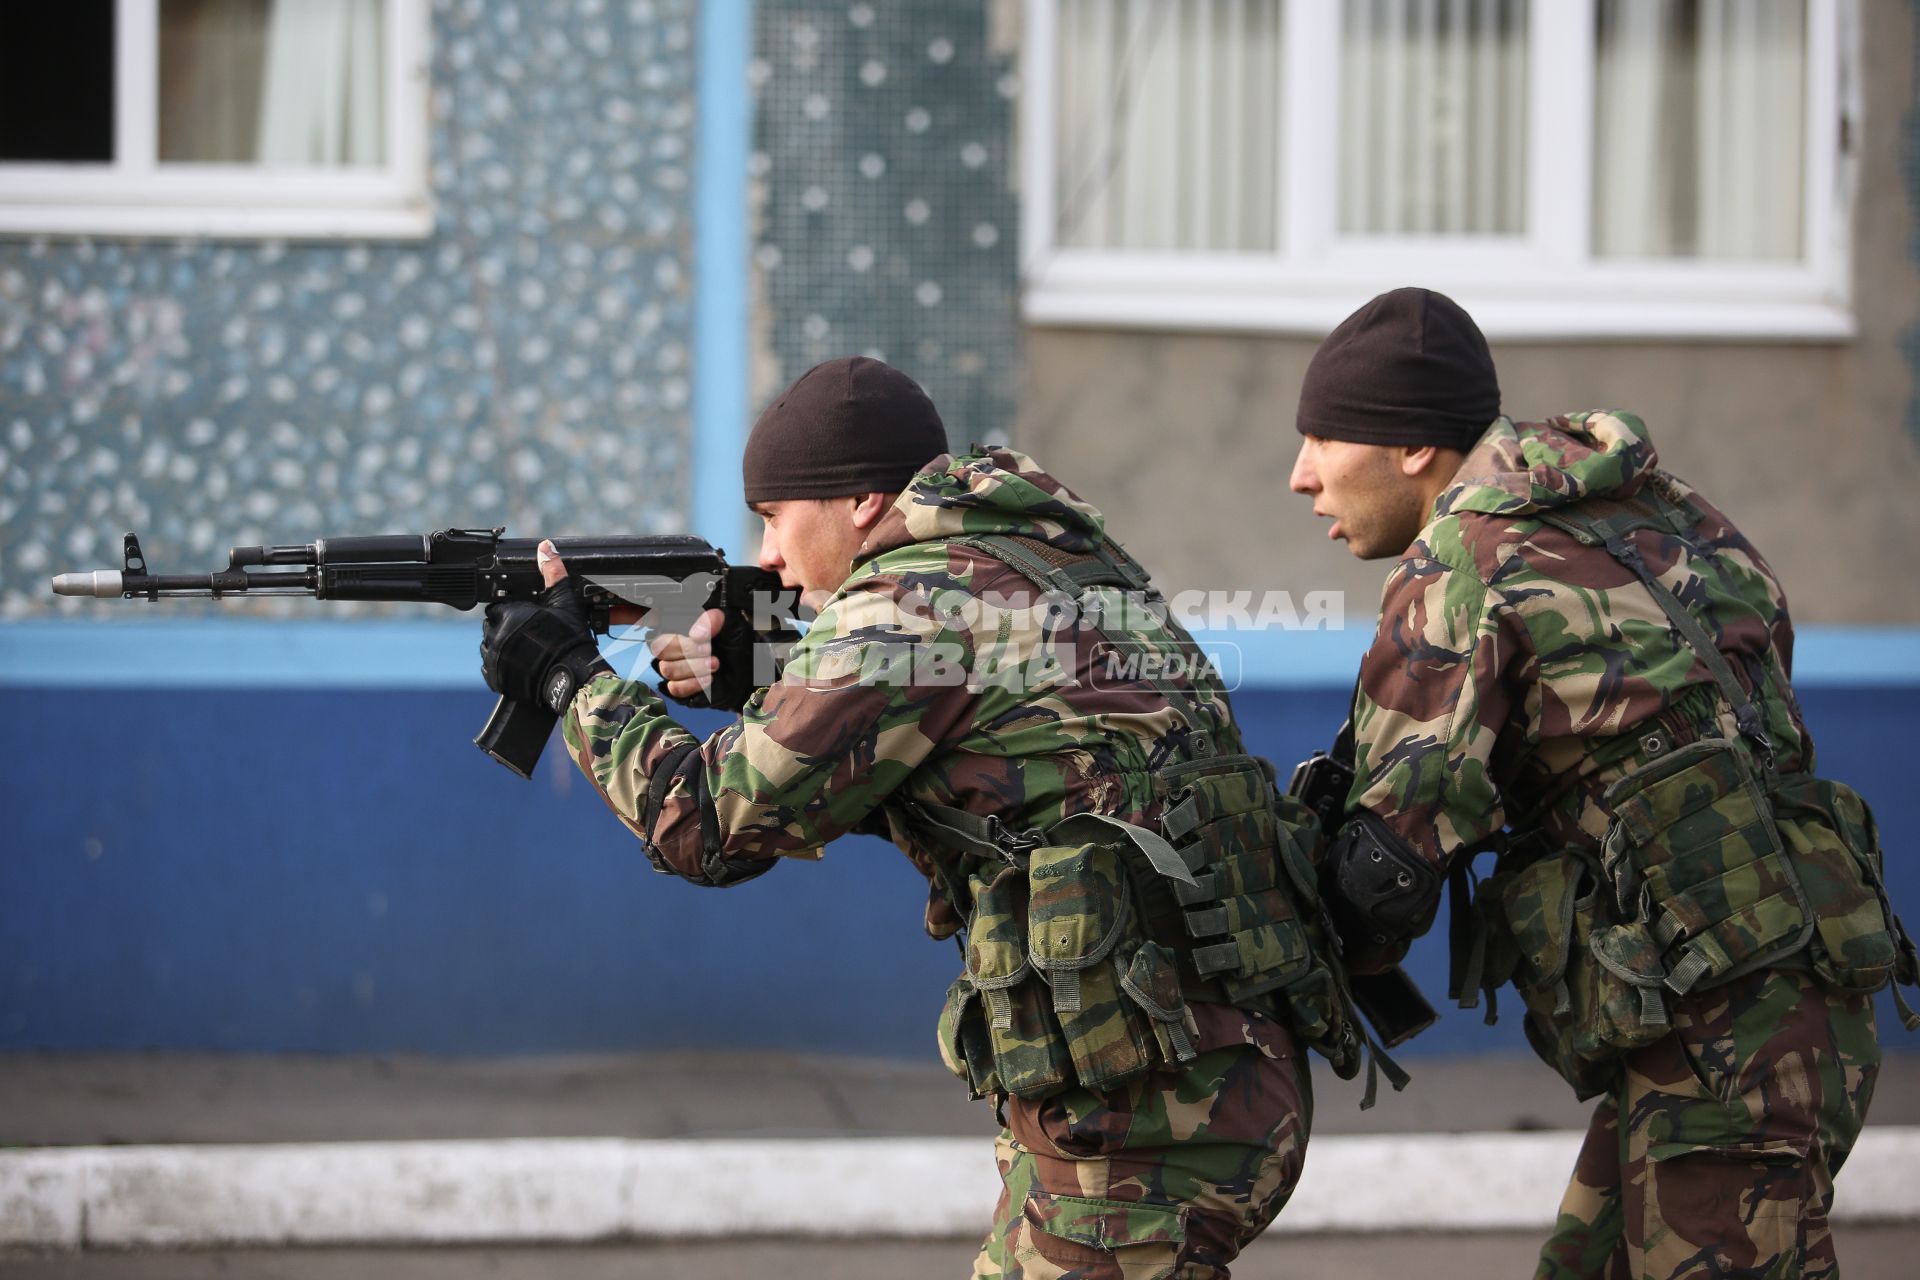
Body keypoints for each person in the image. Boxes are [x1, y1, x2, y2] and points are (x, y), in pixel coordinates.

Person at [478, 355, 1362, 1278]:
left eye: (775, 519)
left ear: (861, 505)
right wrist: (770, 676)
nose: (768, 556)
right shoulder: (1053, 561)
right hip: (1205, 1078)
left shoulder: (907, 605)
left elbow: (704, 825)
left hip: (1147, 1122)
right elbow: (988, 750)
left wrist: (569, 678)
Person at [1288, 286, 1917, 1279]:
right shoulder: (1670, 513)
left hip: (1718, 1041)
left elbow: (1387, 863)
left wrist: (1297, 944)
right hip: (1792, 996)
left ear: (1411, 447)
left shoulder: (1467, 558)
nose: (1301, 476)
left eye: (1323, 439)